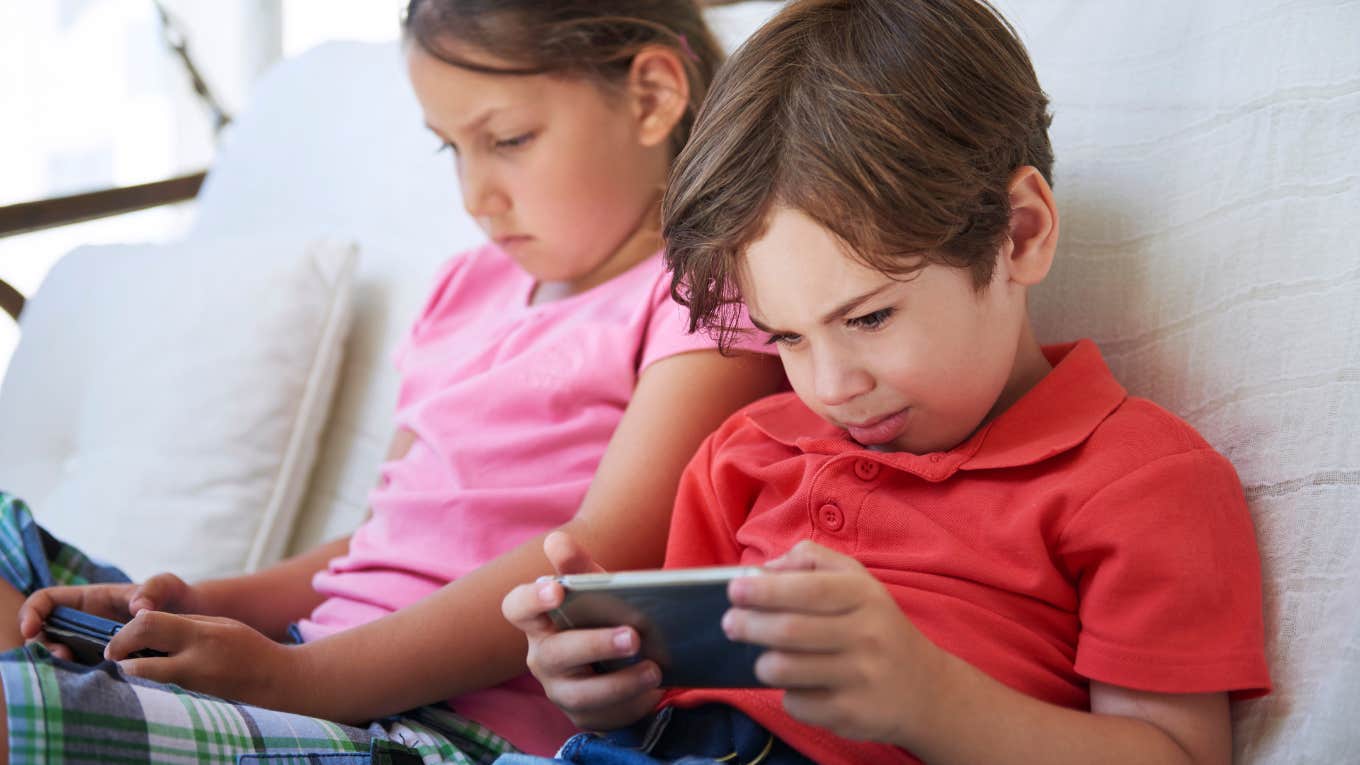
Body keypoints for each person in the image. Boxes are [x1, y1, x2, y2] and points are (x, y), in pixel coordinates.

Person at [0, 2, 784, 762]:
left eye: (507, 138)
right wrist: (199, 606)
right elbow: (376, 540)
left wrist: (293, 680)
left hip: (439, 727)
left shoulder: (700, 291)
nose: (476, 195)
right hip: (307, 666)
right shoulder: (467, 288)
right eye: (451, 148)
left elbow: (600, 560)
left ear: (651, 96)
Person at [500, 1, 1272, 763]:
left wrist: (931, 700)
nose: (830, 387)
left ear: (1021, 233)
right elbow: (674, 698)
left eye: (869, 318)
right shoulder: (741, 456)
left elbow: (1179, 753)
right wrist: (606, 682)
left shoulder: (1143, 481)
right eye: (788, 337)